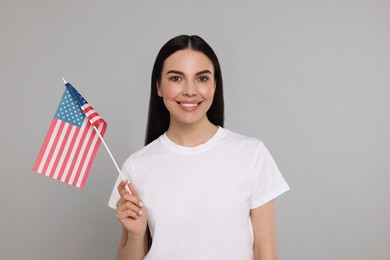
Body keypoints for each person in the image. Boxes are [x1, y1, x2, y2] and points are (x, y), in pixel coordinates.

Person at [108, 35, 290, 260]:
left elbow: (265, 252)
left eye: (202, 78)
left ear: (214, 85)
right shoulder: (136, 166)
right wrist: (136, 236)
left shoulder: (251, 154)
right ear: (158, 86)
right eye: (176, 78)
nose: (190, 91)